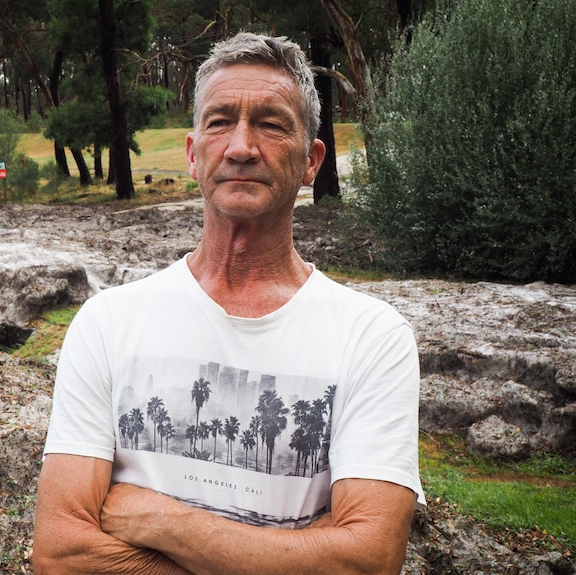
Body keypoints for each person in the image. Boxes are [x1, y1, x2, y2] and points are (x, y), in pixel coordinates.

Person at [33, 32, 425, 575]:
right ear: (194, 155)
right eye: (220, 121)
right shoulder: (108, 323)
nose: (241, 146)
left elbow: (367, 562)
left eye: (270, 122)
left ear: (311, 161)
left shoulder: (373, 338)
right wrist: (294, 552)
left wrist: (160, 521)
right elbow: (60, 554)